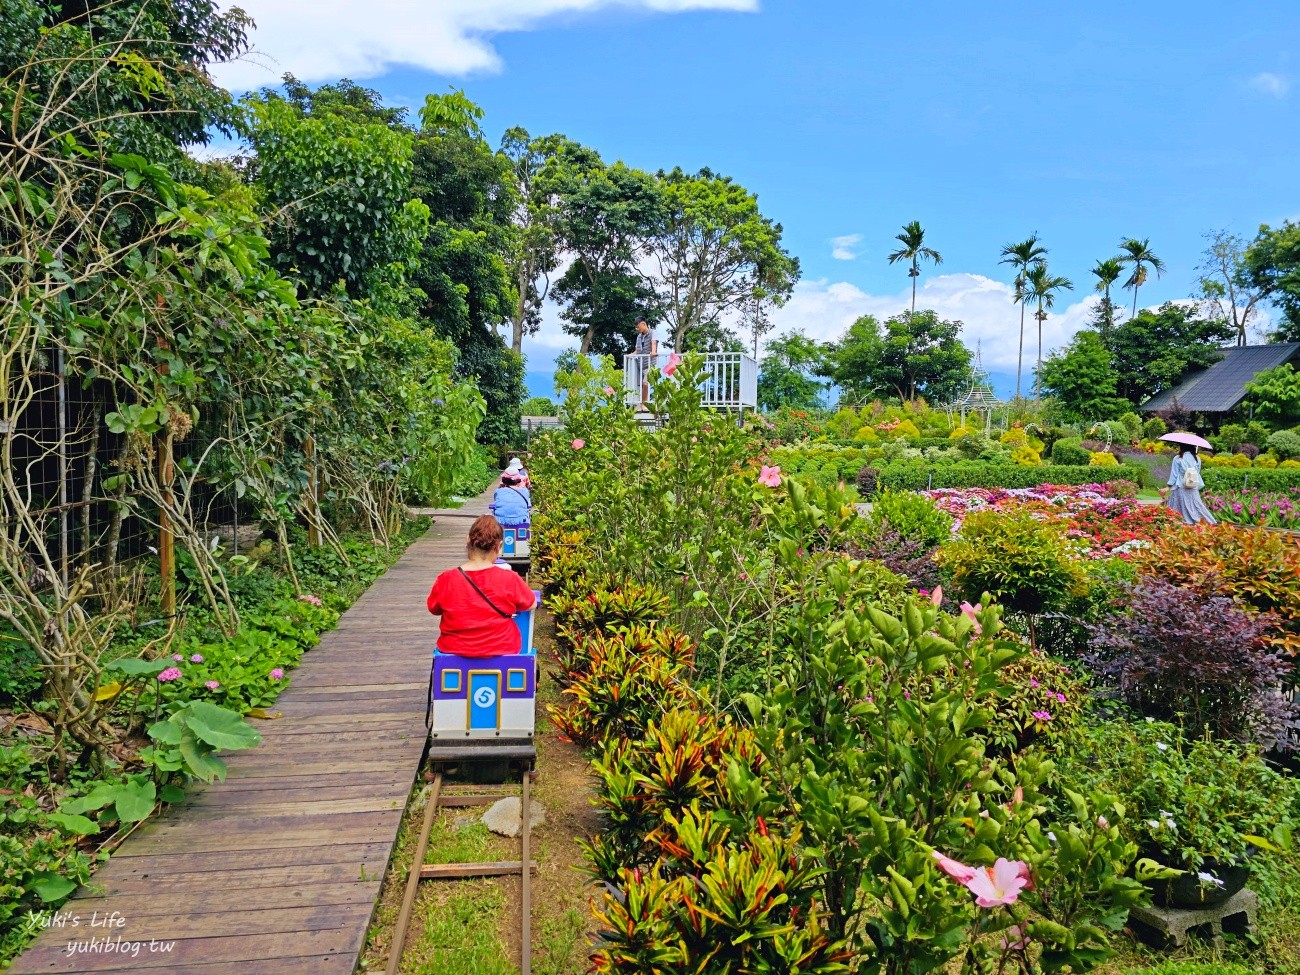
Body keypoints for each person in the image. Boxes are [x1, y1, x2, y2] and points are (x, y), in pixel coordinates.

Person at [426, 516, 537, 657]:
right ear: (499, 546)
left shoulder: (446, 579)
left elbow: (434, 609)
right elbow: (531, 603)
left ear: (468, 540)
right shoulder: (510, 578)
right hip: (503, 649)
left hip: (454, 650)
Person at [1162, 444, 1217, 525]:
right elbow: (1197, 473)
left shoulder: (1178, 458)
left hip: (1181, 487)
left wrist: (1168, 487)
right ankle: (1207, 521)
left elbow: (1174, 475)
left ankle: (1180, 523)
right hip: (1193, 487)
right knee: (1197, 506)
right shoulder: (1197, 459)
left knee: (1179, 507)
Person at [630, 316, 657, 410]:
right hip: (639, 364)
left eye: (638, 327)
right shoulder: (639, 337)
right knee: (637, 384)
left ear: (643, 324)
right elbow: (637, 351)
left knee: (645, 383)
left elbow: (653, 343)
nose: (637, 329)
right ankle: (636, 404)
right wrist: (630, 355)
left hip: (649, 364)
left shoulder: (653, 332)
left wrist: (653, 352)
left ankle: (644, 404)